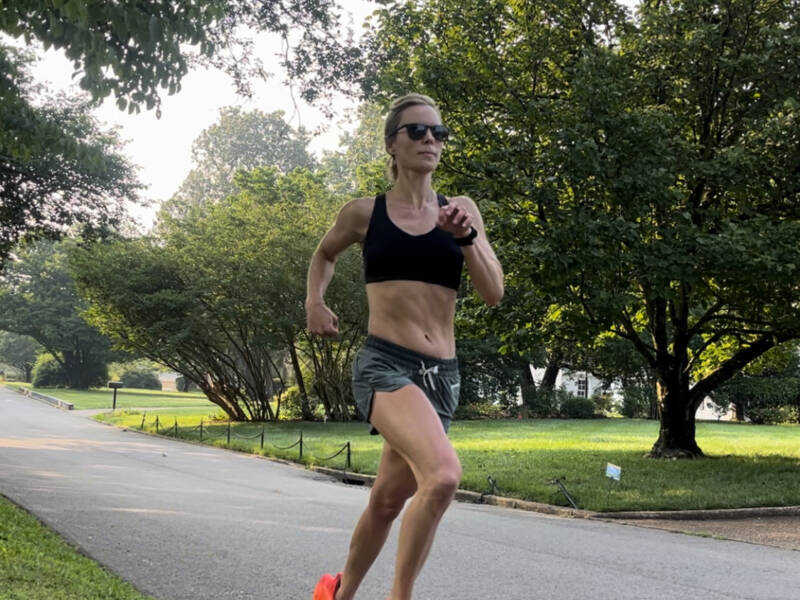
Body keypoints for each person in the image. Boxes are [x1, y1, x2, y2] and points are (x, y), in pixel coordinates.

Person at [306, 93, 504, 600]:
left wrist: (465, 238)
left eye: (439, 133)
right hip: (384, 365)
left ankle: (338, 593)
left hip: (442, 375)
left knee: (389, 500)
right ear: (391, 144)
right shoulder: (363, 213)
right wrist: (315, 301)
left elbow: (494, 292)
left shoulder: (461, 211)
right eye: (417, 131)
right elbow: (324, 254)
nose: (431, 141)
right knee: (441, 477)